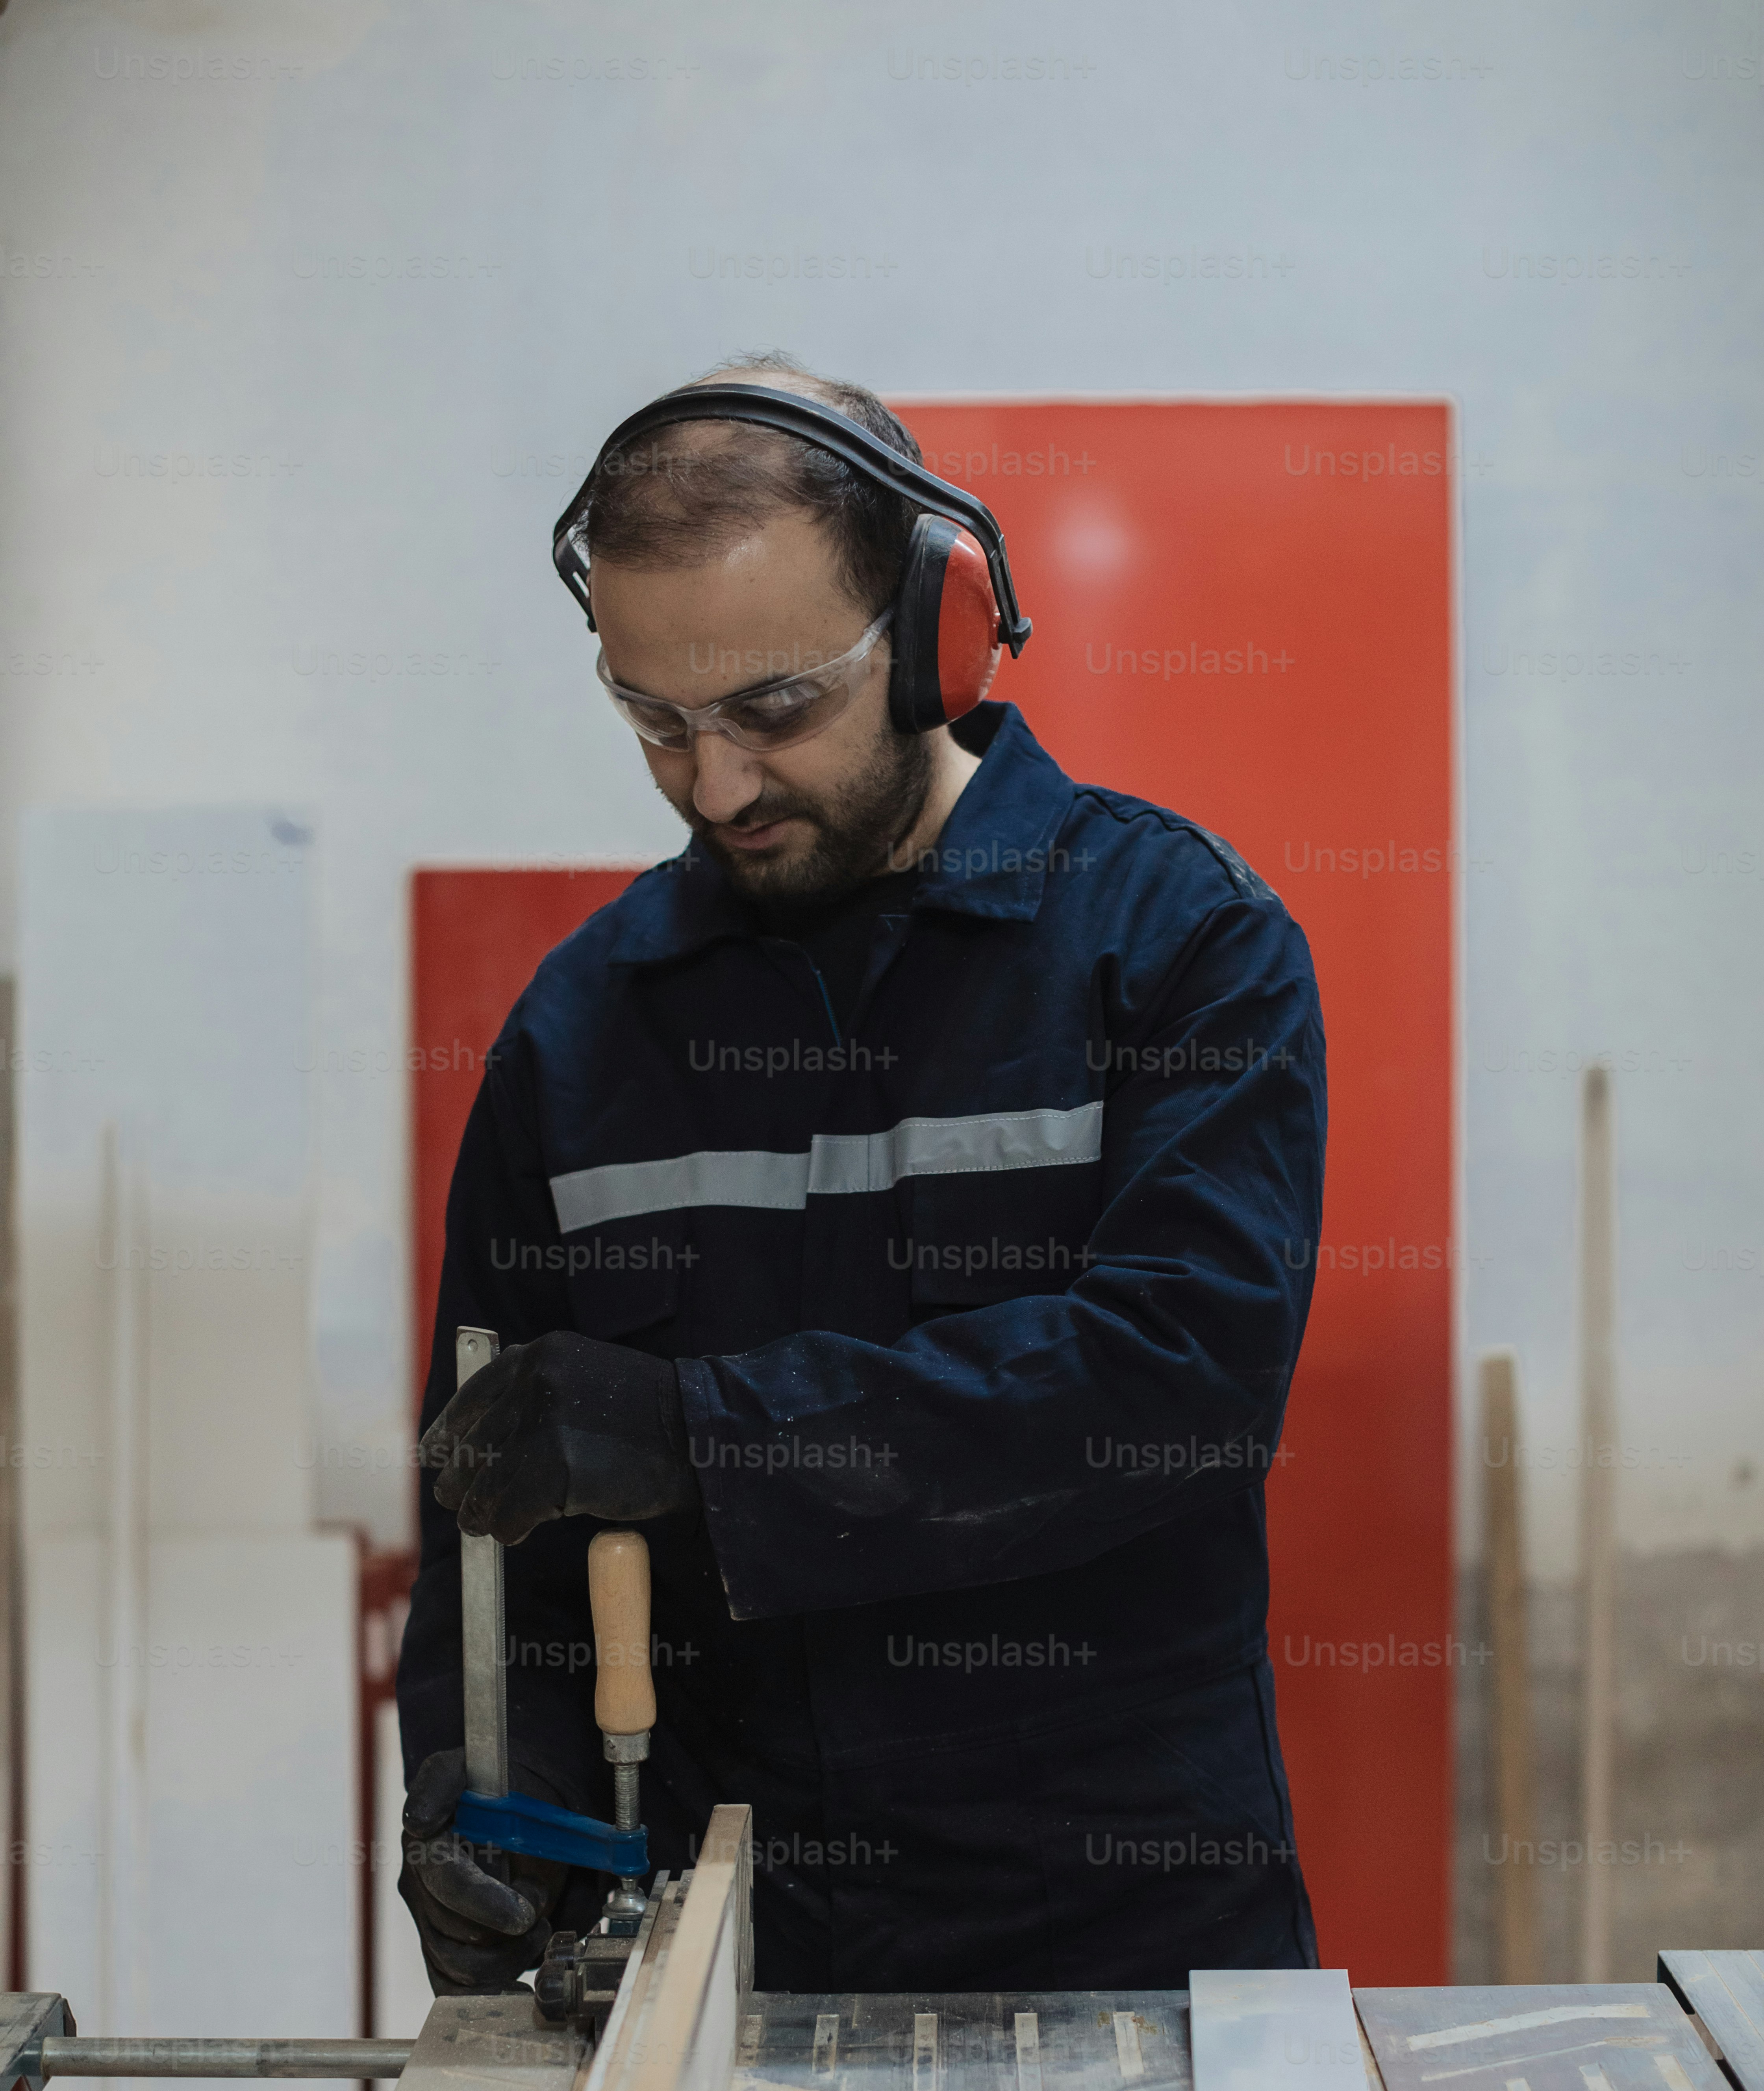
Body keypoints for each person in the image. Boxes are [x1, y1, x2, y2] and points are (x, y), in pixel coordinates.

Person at [397, 350, 1325, 1996]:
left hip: (1120, 1939)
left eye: (773, 710)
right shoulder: (578, 1035)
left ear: (938, 631)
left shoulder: (1174, 947)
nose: (716, 785)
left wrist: (698, 1435)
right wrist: (491, 1802)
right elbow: (499, 1528)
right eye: (654, 720)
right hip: (720, 1955)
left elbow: (1175, 1380)